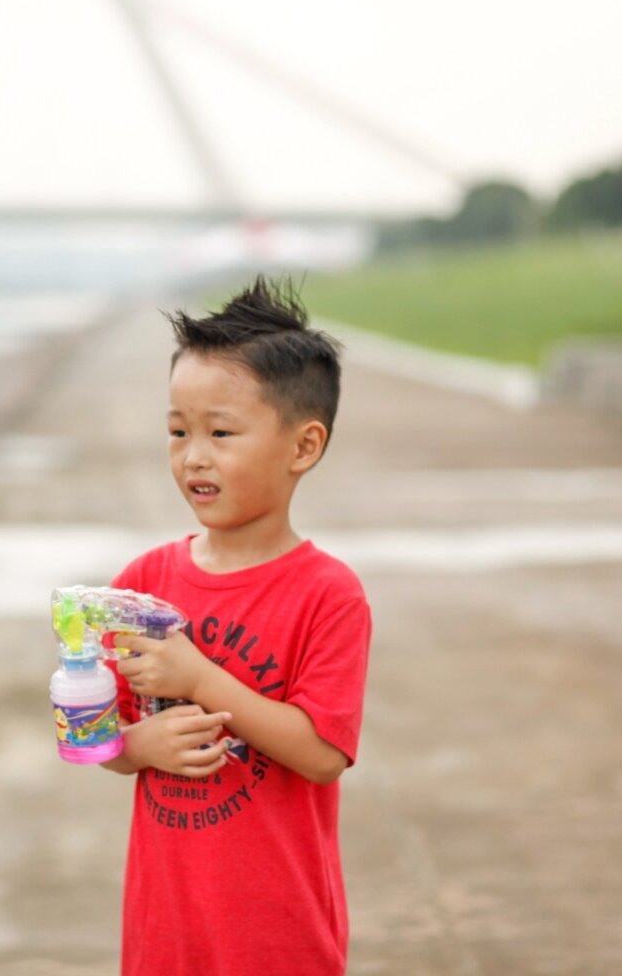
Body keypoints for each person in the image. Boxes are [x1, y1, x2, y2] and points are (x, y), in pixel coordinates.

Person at [99, 278, 372, 975]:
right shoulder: (141, 584)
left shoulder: (327, 594)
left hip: (277, 936)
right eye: (177, 432)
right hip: (165, 930)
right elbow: (99, 741)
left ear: (303, 446)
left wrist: (200, 679)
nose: (193, 456)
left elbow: (322, 754)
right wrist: (139, 742)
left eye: (221, 433)